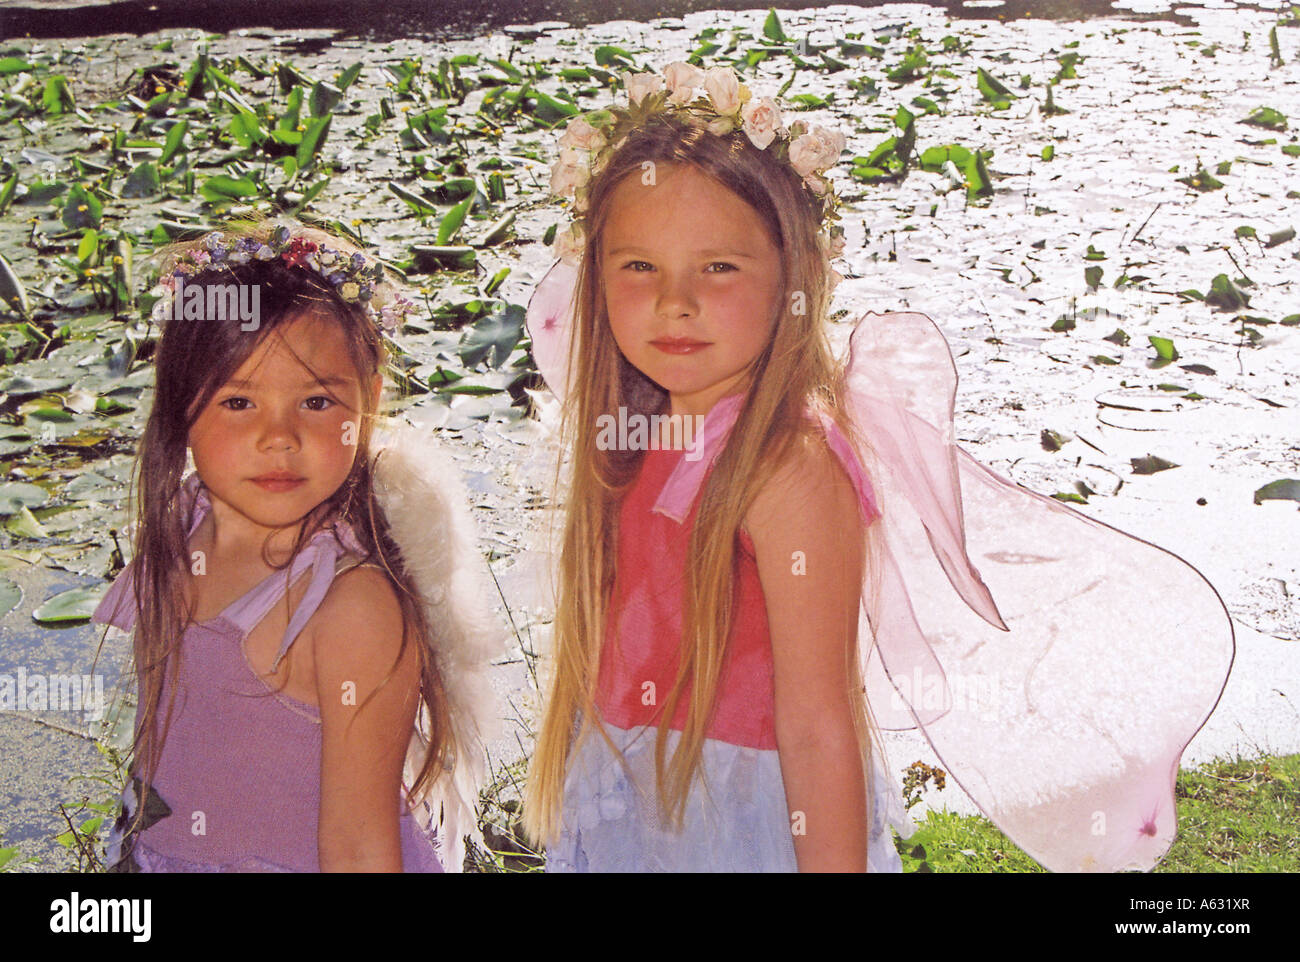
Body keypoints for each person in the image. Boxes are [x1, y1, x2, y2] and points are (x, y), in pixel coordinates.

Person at [521, 63, 1234, 873]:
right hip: (625, 809)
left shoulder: (785, 471)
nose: (673, 301)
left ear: (794, 274)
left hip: (741, 827)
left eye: (717, 267)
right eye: (639, 266)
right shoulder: (632, 436)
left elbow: (817, 727)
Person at [92, 222, 503, 872]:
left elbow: (361, 849)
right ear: (179, 406)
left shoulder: (349, 609)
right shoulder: (181, 524)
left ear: (367, 403)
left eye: (315, 401)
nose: (278, 436)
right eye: (238, 401)